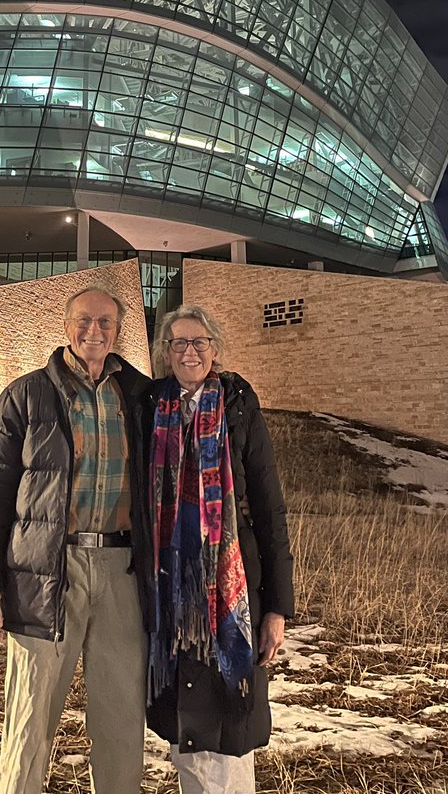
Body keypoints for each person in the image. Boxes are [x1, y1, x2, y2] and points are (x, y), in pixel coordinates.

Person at [0, 285, 152, 794]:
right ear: (66, 327)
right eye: (84, 321)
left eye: (106, 323)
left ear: (119, 330)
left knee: (121, 718)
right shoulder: (25, 396)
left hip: (122, 569)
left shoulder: (138, 395)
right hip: (46, 572)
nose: (95, 331)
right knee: (30, 717)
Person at [137, 303, 294, 794]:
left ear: (215, 350)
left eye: (199, 343)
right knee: (188, 725)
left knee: (229, 729)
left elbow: (270, 510)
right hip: (171, 591)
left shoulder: (238, 406)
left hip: (230, 591)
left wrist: (278, 608)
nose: (189, 352)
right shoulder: (151, 406)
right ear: (165, 353)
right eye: (178, 343)